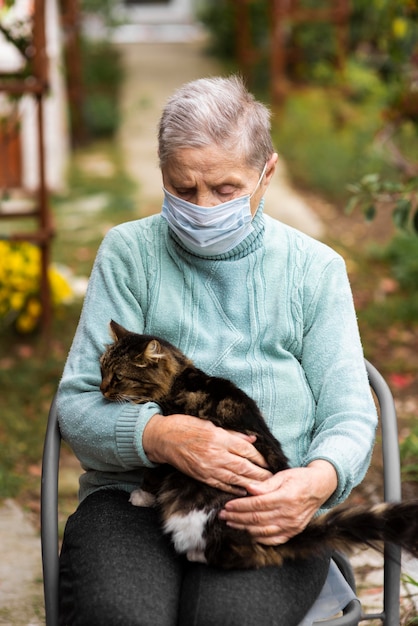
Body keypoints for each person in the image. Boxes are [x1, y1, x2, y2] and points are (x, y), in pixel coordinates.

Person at [57, 75, 377, 626]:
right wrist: (157, 436)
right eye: (183, 189)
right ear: (162, 175)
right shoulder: (129, 255)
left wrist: (316, 481)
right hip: (134, 497)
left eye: (225, 189)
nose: (202, 207)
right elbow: (78, 405)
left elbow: (349, 413)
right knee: (119, 614)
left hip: (265, 501)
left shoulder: (313, 270)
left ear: (267, 173)